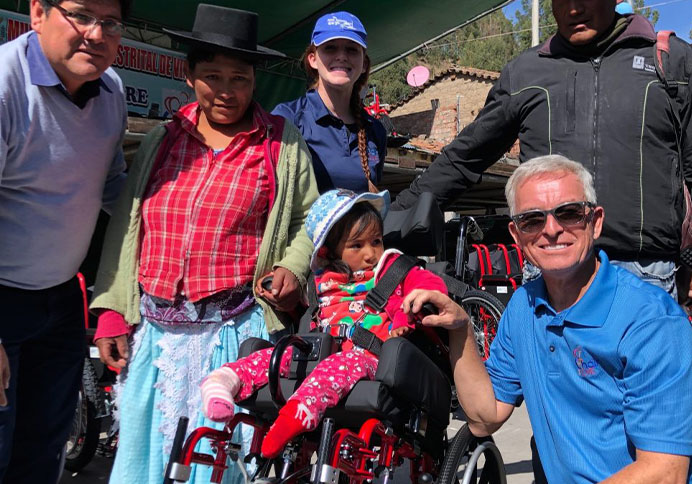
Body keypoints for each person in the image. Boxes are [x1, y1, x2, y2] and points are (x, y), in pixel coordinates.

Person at [89, 5, 319, 483]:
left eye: (239, 77)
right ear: (189, 75)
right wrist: (112, 310)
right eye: (212, 75)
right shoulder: (162, 139)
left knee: (217, 462)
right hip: (153, 338)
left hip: (231, 335)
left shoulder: (279, 144)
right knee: (143, 460)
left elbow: (308, 218)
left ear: (254, 80)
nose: (227, 91)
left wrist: (294, 268)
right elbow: (128, 226)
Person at [405, 155, 692, 483]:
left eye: (569, 213)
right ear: (516, 233)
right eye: (532, 220)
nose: (552, 230)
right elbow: (485, 417)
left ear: (595, 221)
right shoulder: (523, 308)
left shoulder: (651, 321)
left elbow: (665, 472)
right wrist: (461, 329)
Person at [394, 0, 692, 298]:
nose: (574, 9)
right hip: (548, 274)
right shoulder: (526, 72)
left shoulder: (670, 62)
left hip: (645, 276)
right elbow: (465, 157)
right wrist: (392, 216)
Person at [200, 189, 447, 458]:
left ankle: (299, 414)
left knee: (338, 365)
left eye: (376, 241)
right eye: (357, 246)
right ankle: (226, 380)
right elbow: (309, 316)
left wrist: (406, 314)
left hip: (370, 357)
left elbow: (429, 285)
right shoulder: (322, 281)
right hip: (321, 350)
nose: (370, 253)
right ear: (331, 251)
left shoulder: (392, 267)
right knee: (272, 355)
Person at [0, 0, 129, 481]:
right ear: (37, 12)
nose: (96, 34)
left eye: (111, 23)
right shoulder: (5, 86)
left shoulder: (111, 92)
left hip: (59, 301)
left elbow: (113, 188)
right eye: (80, 15)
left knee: (43, 451)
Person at [272, 11, 386, 194]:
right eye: (330, 48)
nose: (341, 56)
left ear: (364, 63)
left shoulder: (375, 130)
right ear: (313, 59)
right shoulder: (287, 118)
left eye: (352, 49)